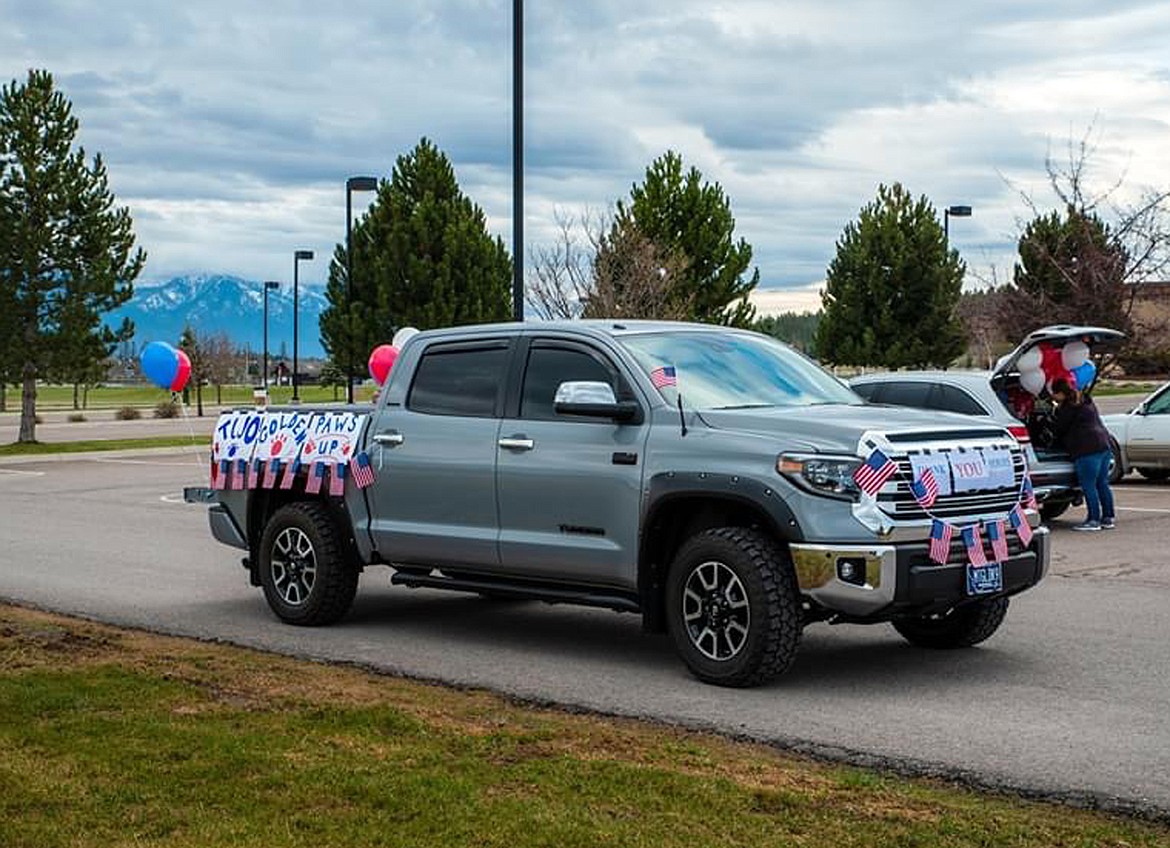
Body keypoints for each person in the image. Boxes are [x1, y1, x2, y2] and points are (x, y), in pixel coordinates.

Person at [1049, 377, 1115, 531]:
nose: (1053, 397)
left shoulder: (1067, 408)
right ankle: (1108, 517)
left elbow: (1060, 428)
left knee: (1088, 485)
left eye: (1054, 394)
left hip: (1086, 449)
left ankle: (1093, 520)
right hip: (1104, 444)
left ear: (1061, 393)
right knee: (1102, 483)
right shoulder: (1085, 401)